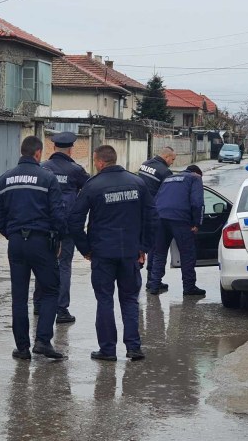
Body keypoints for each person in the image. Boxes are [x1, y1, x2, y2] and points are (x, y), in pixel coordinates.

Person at [69, 145, 156, 362]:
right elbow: (152, 217)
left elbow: (74, 221)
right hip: (130, 253)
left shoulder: (92, 186)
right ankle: (134, 348)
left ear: (99, 162)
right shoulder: (137, 182)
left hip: (102, 253)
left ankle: (108, 350)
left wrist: (86, 248)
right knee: (129, 300)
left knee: (105, 300)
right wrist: (143, 247)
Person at [0, 135, 67, 361]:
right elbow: (58, 215)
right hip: (42, 242)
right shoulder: (47, 178)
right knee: (51, 290)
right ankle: (43, 341)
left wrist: (12, 234)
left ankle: (22, 348)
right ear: (38, 153)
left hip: (16, 243)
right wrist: (58, 240)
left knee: (19, 296)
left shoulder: (4, 179)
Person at [33, 131, 90, 324]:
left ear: (53, 147)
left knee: (44, 264)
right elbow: (89, 191)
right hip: (66, 226)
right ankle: (61, 309)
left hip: (44, 225)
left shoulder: (42, 168)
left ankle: (39, 305)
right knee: (64, 265)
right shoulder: (76, 170)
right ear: (71, 149)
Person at [147, 164, 206, 296]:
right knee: (187, 253)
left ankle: (154, 285)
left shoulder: (169, 178)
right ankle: (189, 287)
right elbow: (197, 203)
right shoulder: (195, 178)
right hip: (180, 219)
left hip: (160, 217)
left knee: (159, 253)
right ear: (197, 173)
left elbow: (156, 199)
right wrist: (197, 222)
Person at [137, 146, 176, 290]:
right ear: (166, 157)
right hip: (154, 213)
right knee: (156, 247)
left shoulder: (145, 165)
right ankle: (153, 280)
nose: (172, 162)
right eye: (172, 159)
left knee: (139, 246)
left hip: (139, 210)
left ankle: (135, 280)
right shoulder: (165, 172)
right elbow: (168, 195)